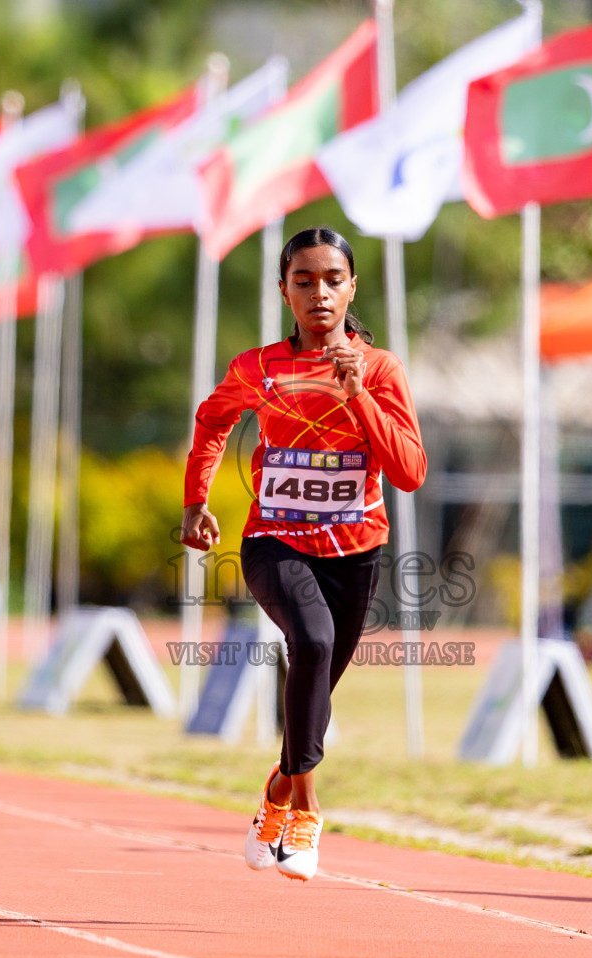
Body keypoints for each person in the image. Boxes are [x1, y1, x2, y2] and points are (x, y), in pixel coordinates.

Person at [180, 227, 425, 881]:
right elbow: (212, 419)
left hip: (356, 550)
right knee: (311, 645)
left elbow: (409, 472)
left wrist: (360, 396)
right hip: (274, 541)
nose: (319, 292)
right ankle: (309, 811)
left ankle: (272, 800)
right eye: (304, 280)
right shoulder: (257, 368)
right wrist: (195, 498)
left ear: (352, 287)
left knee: (317, 685)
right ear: (284, 290)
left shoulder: (380, 369)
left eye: (332, 279)